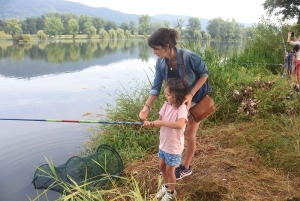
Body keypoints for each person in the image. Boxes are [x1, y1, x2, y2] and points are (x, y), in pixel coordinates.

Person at [139, 28, 212, 180]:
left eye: (156, 49)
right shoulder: (161, 63)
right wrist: (146, 108)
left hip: (195, 99)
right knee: (178, 132)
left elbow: (204, 74)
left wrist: (190, 95)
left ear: (167, 46)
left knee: (189, 133)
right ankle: (174, 164)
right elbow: (156, 87)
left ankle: (185, 167)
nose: (153, 52)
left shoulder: (189, 57)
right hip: (177, 103)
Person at [143, 78, 188, 200]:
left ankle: (171, 193)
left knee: (170, 171)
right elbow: (159, 121)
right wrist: (150, 124)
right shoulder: (166, 105)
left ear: (176, 95)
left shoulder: (182, 109)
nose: (166, 96)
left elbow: (179, 124)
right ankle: (167, 186)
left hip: (174, 147)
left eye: (168, 94)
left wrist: (161, 122)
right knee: (161, 167)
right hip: (163, 145)